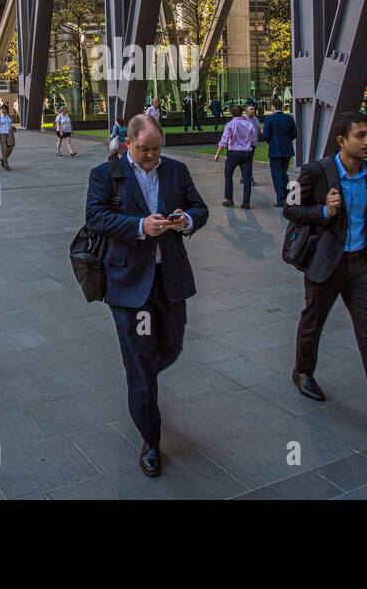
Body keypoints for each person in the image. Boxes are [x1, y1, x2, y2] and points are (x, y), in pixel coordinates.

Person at [283, 111, 367, 438]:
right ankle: (302, 371)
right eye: (360, 136)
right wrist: (322, 211)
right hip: (325, 262)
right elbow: (289, 208)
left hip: (361, 265)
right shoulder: (316, 171)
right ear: (342, 140)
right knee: (313, 321)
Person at [85, 113, 208, 478]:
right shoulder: (105, 174)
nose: (152, 157)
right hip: (129, 284)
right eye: (144, 150)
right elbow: (95, 217)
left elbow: (200, 208)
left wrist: (186, 220)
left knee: (170, 347)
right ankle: (151, 441)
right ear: (128, 144)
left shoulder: (177, 171)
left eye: (156, 149)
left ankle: (144, 377)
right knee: (141, 367)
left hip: (169, 279)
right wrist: (140, 226)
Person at [215, 104, 258, 209]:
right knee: (247, 178)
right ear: (242, 112)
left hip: (234, 153)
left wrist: (217, 154)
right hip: (247, 152)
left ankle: (229, 198)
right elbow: (253, 140)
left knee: (228, 176)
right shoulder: (249, 124)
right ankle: (246, 202)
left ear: (231, 113)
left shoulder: (230, 124)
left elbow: (224, 140)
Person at [262, 97, 298, 207]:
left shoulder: (269, 119)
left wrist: (272, 142)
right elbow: (294, 134)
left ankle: (280, 199)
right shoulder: (289, 118)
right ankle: (288, 197)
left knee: (276, 175)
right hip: (287, 150)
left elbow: (266, 135)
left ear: (272, 107)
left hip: (275, 150)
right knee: (283, 173)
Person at [0, 103, 15, 170]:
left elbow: (10, 125)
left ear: (7, 109)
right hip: (2, 134)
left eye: (4, 108)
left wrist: (12, 128)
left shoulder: (9, 117)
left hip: (9, 134)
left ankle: (3, 159)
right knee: (4, 149)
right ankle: (6, 165)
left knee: (11, 147)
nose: (3, 110)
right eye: (2, 108)